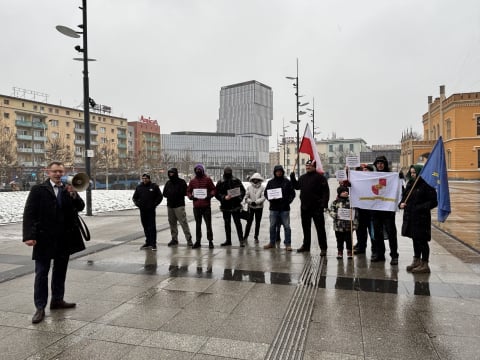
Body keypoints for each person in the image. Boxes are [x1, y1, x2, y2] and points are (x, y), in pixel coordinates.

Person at [23, 161, 86, 324]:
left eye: (61, 172)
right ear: (48, 172)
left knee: (60, 271)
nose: (58, 174)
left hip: (64, 238)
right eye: (55, 171)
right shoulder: (38, 189)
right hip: (44, 238)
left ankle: (57, 300)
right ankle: (40, 307)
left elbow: (80, 207)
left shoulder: (68, 189)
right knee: (41, 274)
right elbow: (29, 213)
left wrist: (73, 194)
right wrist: (29, 235)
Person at [399, 164, 438, 273]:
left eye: (414, 172)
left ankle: (425, 264)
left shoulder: (427, 185)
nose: (412, 174)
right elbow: (404, 198)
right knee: (415, 239)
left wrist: (419, 208)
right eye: (411, 173)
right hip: (411, 217)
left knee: (422, 240)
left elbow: (434, 202)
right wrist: (401, 204)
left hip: (421, 218)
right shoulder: (410, 184)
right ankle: (416, 260)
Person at [290, 159, 330, 255]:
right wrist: (292, 178)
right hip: (305, 208)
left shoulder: (321, 178)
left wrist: (323, 205)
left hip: (317, 208)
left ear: (314, 167)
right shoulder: (303, 177)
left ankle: (323, 248)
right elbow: (297, 187)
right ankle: (306, 246)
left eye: (310, 166)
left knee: (320, 229)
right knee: (306, 228)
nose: (308, 167)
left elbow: (326, 192)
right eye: (307, 166)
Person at [371, 155, 399, 264]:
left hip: (388, 211)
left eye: (382, 163)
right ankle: (380, 254)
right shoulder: (372, 177)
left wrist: (400, 178)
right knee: (378, 234)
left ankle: (394, 255)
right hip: (376, 210)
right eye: (378, 163)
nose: (380, 165)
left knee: (391, 234)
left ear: (385, 164)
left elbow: (398, 190)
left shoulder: (391, 176)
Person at [264, 165, 296, 251]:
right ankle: (272, 242)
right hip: (273, 208)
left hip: (284, 209)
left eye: (280, 171)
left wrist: (288, 201)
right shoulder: (270, 182)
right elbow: (266, 193)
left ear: (282, 172)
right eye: (277, 171)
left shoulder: (287, 182)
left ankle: (288, 244)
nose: (279, 172)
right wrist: (270, 198)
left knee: (287, 227)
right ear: (274, 172)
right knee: (272, 226)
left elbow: (293, 194)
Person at [187, 164, 216, 249]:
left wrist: (210, 195)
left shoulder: (207, 180)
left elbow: (214, 189)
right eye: (196, 170)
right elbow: (188, 191)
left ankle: (210, 241)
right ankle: (198, 241)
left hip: (206, 206)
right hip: (196, 206)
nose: (198, 171)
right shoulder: (192, 181)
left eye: (199, 170)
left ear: (202, 170)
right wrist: (191, 197)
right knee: (198, 225)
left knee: (208, 225)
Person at [215, 167, 246, 247]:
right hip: (225, 206)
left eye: (229, 172)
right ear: (224, 172)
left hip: (235, 205)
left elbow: (243, 191)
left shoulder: (236, 180)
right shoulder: (220, 182)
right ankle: (228, 240)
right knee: (227, 224)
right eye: (227, 172)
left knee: (238, 224)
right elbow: (217, 193)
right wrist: (224, 197)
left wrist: (239, 198)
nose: (228, 173)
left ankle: (241, 240)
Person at [162, 167, 193, 247]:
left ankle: (189, 239)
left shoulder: (181, 182)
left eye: (172, 173)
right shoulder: (168, 183)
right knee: (172, 223)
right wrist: (170, 194)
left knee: (183, 222)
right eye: (169, 173)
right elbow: (164, 193)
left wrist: (176, 193)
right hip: (170, 206)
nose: (171, 174)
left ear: (175, 173)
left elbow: (185, 192)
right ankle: (174, 239)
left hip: (179, 206)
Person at [132, 173, 163, 251]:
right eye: (143, 178)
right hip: (143, 210)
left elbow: (160, 197)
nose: (144, 180)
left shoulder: (154, 186)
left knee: (152, 227)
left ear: (149, 179)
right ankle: (148, 242)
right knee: (145, 226)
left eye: (146, 178)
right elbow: (134, 198)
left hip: (151, 210)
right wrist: (138, 204)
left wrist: (154, 204)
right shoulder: (139, 187)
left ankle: (153, 243)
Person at [329, 186, 359, 259]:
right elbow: (331, 211)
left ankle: (349, 251)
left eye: (346, 191)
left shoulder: (351, 202)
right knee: (339, 240)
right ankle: (340, 251)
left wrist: (355, 224)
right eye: (343, 191)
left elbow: (355, 214)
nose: (345, 192)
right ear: (339, 193)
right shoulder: (335, 202)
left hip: (348, 226)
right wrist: (336, 215)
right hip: (338, 226)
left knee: (349, 240)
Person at [353, 164, 375, 255]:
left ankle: (375, 249)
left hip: (371, 211)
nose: (365, 171)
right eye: (364, 170)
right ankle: (361, 247)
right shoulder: (359, 180)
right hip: (360, 209)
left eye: (367, 170)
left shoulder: (374, 180)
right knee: (360, 231)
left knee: (372, 232)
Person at [243, 172, 266, 243]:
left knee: (257, 223)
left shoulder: (262, 188)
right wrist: (250, 202)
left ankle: (256, 237)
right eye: (254, 179)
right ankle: (245, 236)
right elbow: (246, 197)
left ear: (259, 180)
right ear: (252, 179)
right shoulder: (249, 187)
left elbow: (263, 197)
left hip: (259, 208)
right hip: (251, 207)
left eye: (257, 179)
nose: (255, 180)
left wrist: (256, 202)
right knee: (249, 222)